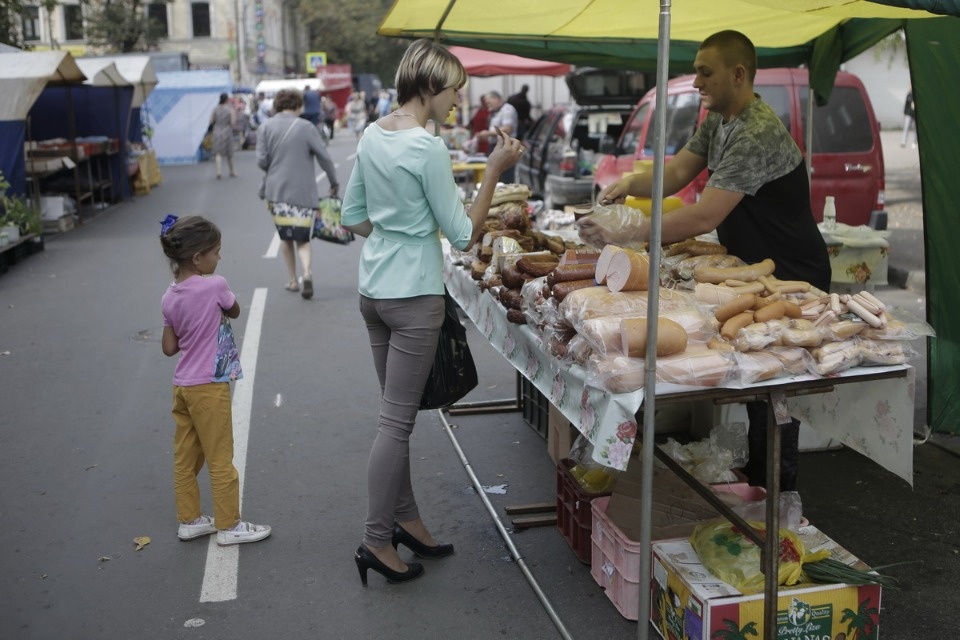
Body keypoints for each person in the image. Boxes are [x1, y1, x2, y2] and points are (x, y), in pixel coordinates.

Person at [583, 30, 831, 492]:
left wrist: (632, 230)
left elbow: (705, 215)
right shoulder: (720, 121)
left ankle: (776, 500)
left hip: (793, 278)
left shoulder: (755, 130)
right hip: (751, 273)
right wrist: (630, 185)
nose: (696, 81)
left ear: (738, 75)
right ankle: (759, 493)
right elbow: (677, 172)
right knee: (758, 391)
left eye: (705, 72)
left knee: (774, 399)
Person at [340, 38, 523, 586]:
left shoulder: (373, 133)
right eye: (452, 93)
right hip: (414, 296)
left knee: (394, 420)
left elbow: (353, 216)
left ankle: (404, 520)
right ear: (429, 87)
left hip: (373, 290)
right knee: (395, 425)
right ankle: (375, 539)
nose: (455, 103)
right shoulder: (426, 148)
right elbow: (465, 235)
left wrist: (393, 238)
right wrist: (493, 169)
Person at [159, 214, 272, 546]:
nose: (219, 258)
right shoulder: (215, 285)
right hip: (209, 386)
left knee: (186, 458)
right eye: (216, 252)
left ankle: (190, 520)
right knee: (221, 457)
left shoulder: (169, 296)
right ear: (198, 258)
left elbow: (169, 347)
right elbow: (235, 310)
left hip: (182, 386)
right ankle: (228, 525)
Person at [256, 88, 340, 299]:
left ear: (277, 104)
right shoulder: (306, 127)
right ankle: (307, 273)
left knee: (286, 237)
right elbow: (324, 157)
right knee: (303, 237)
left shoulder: (265, 127)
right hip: (303, 192)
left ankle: (293, 280)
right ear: (298, 105)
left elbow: (261, 161)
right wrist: (333, 182)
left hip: (276, 192)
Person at [485, 91, 519, 182]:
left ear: (497, 99)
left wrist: (487, 133)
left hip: (505, 147)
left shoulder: (507, 109)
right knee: (496, 176)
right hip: (497, 146)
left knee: (505, 178)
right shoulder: (495, 112)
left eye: (489, 102)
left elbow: (507, 129)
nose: (488, 105)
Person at [209, 93, 237, 179]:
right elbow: (232, 122)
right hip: (227, 131)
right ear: (227, 100)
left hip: (217, 131)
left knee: (218, 153)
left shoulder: (215, 109)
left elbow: (211, 121)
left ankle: (219, 172)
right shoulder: (230, 110)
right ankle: (231, 171)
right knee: (229, 153)